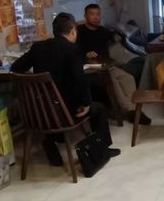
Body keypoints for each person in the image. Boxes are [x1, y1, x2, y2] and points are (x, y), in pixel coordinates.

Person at [11, 12, 120, 166]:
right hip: (64, 112)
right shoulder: (72, 50)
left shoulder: (38, 47)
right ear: (73, 31)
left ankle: (50, 141)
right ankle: (102, 149)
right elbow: (79, 81)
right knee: (99, 109)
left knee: (55, 105)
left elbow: (16, 67)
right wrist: (85, 103)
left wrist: (33, 80)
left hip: (39, 112)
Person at [76, 4, 151, 125]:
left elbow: (116, 36)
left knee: (128, 78)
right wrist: (86, 54)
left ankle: (133, 109)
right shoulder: (79, 32)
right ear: (85, 16)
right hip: (91, 69)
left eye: (98, 14)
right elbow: (75, 52)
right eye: (92, 14)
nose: (96, 17)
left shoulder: (103, 31)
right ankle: (130, 111)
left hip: (108, 66)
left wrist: (117, 36)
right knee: (112, 81)